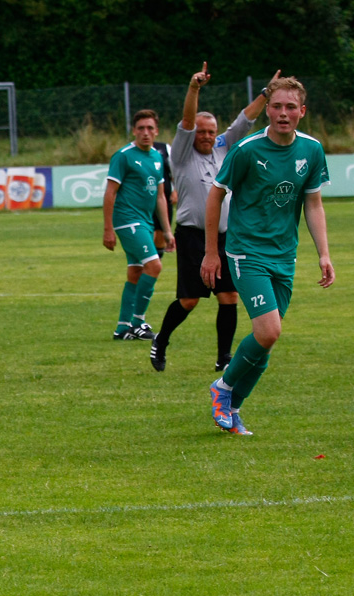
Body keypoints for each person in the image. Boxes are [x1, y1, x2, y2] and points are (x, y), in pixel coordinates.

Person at [202, 76, 333, 435]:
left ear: (302, 112)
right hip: (246, 251)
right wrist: (211, 253)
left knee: (266, 341)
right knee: (269, 331)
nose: (283, 113)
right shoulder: (246, 150)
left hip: (284, 256)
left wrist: (324, 254)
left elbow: (313, 202)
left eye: (291, 107)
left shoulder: (312, 150)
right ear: (268, 110)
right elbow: (215, 196)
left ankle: (233, 410)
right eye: (276, 106)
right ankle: (223, 388)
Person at [150, 63, 279, 372]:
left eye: (212, 132)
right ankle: (161, 339)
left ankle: (223, 358)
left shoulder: (224, 148)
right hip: (193, 235)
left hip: (226, 235)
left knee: (229, 295)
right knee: (190, 300)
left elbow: (244, 121)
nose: (206, 137)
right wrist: (194, 88)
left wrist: (267, 93)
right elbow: (187, 121)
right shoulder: (181, 153)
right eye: (202, 132)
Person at [103, 109, 175, 340]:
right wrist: (108, 229)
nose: (146, 133)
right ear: (134, 131)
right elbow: (110, 193)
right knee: (154, 266)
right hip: (127, 221)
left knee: (135, 272)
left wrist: (166, 230)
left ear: (157, 131)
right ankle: (138, 322)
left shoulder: (156, 157)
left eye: (150, 128)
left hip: (145, 222)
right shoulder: (123, 156)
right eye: (141, 128)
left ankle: (122, 328)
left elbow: (161, 197)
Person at [152, 138, 175, 259]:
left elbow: (174, 170)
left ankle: (155, 264)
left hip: (165, 199)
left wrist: (175, 190)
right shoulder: (133, 151)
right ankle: (148, 265)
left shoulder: (164, 148)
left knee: (161, 233)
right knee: (148, 233)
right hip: (145, 201)